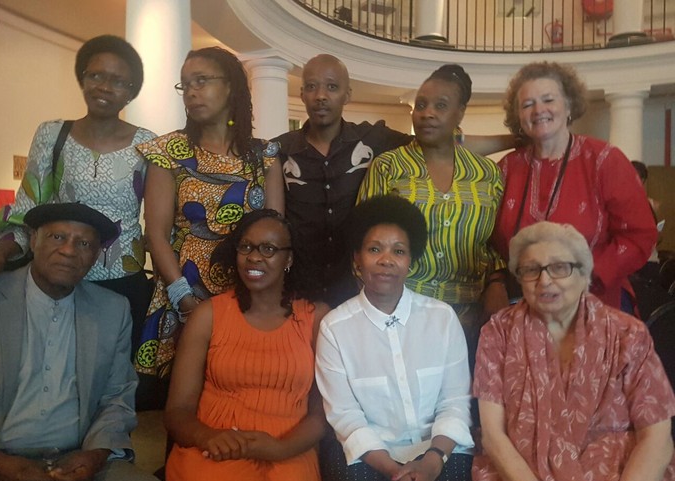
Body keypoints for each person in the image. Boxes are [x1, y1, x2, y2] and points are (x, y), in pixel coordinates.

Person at [274, 54, 514, 307]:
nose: (321, 95)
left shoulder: (373, 139)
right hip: (301, 287)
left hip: (354, 289)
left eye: (332, 87)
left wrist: (518, 140)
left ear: (347, 94)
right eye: (311, 86)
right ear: (301, 94)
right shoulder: (280, 149)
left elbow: (441, 142)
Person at [473, 221, 675, 481]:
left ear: (584, 275)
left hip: (622, 473)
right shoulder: (498, 334)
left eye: (560, 268)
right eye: (531, 270)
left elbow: (656, 434)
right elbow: (493, 436)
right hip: (525, 476)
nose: (544, 281)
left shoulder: (628, 333)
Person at [133, 47, 284, 407]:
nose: (192, 92)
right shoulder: (168, 152)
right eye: (185, 85)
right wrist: (185, 299)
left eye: (202, 81)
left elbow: (276, 235)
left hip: (249, 293)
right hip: (185, 289)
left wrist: (262, 300)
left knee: (243, 393)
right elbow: (157, 233)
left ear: (231, 86)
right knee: (187, 400)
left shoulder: (265, 157)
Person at [0, 203, 168, 481]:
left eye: (84, 243)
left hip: (75, 460)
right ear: (33, 240)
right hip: (0, 460)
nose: (69, 251)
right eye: (57, 237)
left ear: (96, 255)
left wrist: (94, 457)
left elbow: (118, 397)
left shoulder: (112, 309)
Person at [0, 34, 156, 359]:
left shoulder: (147, 144)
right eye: (95, 75)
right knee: (53, 368)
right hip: (58, 274)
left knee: (109, 372)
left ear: (131, 91)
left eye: (118, 81)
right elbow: (28, 209)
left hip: (121, 280)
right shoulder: (52, 134)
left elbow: (159, 220)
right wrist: (2, 250)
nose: (104, 86)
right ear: (82, 77)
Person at [316, 195, 475, 481]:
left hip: (440, 450)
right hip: (370, 455)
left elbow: (455, 404)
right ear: (356, 260)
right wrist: (394, 471)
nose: (386, 259)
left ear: (410, 261)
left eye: (398, 251)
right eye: (375, 249)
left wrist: (431, 463)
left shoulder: (442, 318)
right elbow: (346, 416)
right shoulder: (335, 328)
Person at [164, 209, 328, 481]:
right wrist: (207, 436)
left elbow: (323, 412)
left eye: (268, 249)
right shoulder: (208, 315)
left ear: (289, 259)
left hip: (289, 450)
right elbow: (177, 411)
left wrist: (280, 448)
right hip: (217, 449)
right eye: (246, 247)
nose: (254, 257)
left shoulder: (315, 318)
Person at [357, 64, 508, 360]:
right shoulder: (389, 167)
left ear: (460, 113)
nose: (427, 113)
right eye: (421, 105)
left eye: (441, 106)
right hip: (402, 310)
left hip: (471, 315)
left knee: (460, 400)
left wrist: (497, 282)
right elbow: (363, 240)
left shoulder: (487, 174)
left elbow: (497, 242)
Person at [492, 61, 657, 310]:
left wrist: (582, 275)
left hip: (595, 301)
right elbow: (488, 241)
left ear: (569, 105)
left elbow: (640, 235)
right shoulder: (506, 169)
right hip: (525, 306)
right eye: (527, 105)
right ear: (518, 116)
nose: (538, 110)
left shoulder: (605, 160)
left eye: (548, 100)